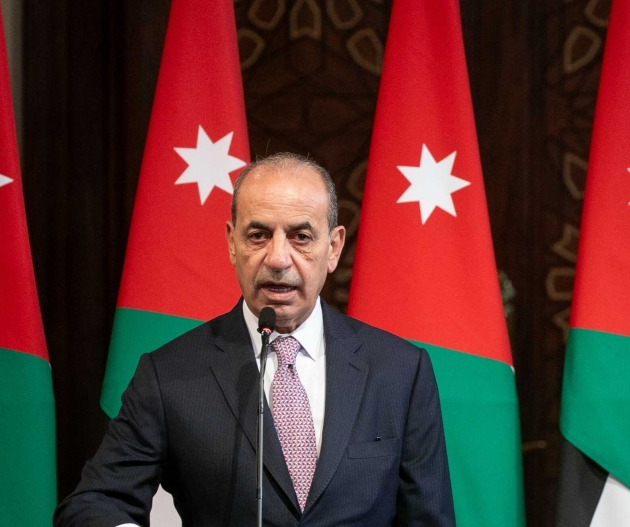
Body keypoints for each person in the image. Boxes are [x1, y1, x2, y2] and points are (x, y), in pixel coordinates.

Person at [54, 153, 455, 526]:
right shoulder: (168, 375)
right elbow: (91, 505)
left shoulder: (400, 371)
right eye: (259, 235)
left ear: (333, 248)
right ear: (232, 243)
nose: (278, 259)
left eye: (300, 236)